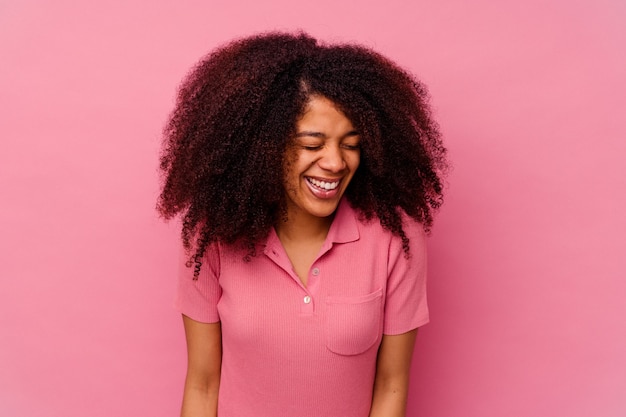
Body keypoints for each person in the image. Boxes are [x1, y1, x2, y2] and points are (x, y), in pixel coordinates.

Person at [157, 31, 447, 417]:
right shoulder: (211, 236)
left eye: (351, 143)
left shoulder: (395, 238)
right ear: (264, 145)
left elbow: (391, 383)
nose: (335, 162)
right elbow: (203, 383)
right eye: (312, 145)